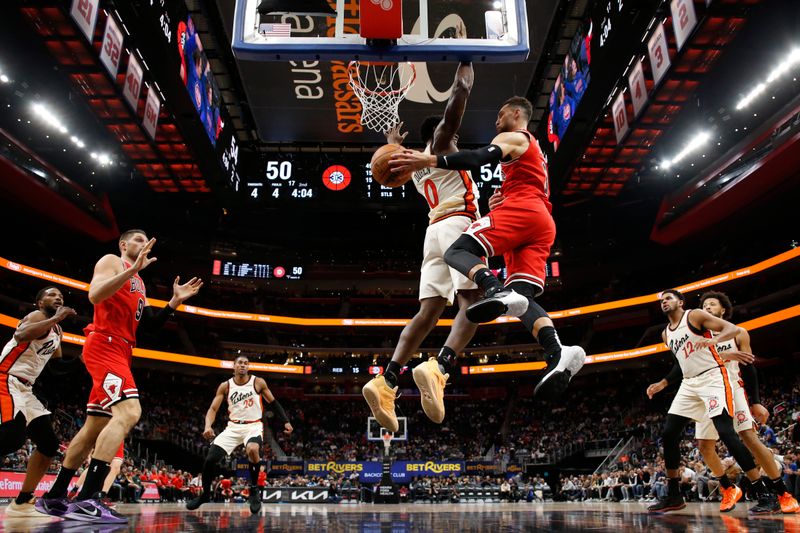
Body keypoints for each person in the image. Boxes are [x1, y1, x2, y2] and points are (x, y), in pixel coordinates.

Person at [390, 96, 586, 400]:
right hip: (540, 220)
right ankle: (557, 350)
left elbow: (478, 158)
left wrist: (422, 158)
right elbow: (525, 181)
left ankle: (494, 288)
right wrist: (501, 199)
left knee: (457, 252)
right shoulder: (535, 154)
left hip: (520, 212)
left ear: (517, 113)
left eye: (501, 113)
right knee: (523, 298)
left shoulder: (514, 136)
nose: (496, 120)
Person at [36, 229, 202, 523]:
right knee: (129, 412)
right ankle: (87, 498)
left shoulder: (138, 281)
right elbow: (94, 294)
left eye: (146, 240)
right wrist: (131, 270)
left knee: (93, 428)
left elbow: (148, 325)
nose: (143, 243)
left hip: (122, 349)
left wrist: (174, 302)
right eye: (138, 240)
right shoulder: (113, 261)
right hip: (105, 344)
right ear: (124, 245)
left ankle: (54, 496)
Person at [362, 62, 482, 430]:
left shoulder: (413, 168)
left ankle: (388, 379)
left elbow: (391, 163)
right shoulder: (442, 145)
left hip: (432, 233)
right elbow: (455, 106)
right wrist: (465, 71)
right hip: (459, 225)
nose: (457, 143)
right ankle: (440, 365)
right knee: (472, 304)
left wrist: (393, 145)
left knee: (427, 313)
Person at [648, 290, 799, 513]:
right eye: (705, 304)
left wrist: (755, 401)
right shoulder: (693, 332)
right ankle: (725, 488)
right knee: (703, 445)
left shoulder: (732, 332)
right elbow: (686, 361)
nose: (707, 307)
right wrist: (663, 383)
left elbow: (748, 365)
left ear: (723, 310)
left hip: (728, 385)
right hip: (695, 384)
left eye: (712, 304)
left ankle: (779, 492)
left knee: (746, 437)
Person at [0, 287, 76, 517]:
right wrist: (55, 317)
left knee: (48, 444)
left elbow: (56, 367)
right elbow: (21, 335)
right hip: (6, 377)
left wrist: (83, 359)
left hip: (26, 388)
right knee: (13, 438)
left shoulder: (57, 331)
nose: (58, 297)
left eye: (61, 296)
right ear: (39, 302)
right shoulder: (38, 317)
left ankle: (23, 500)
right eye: (52, 295)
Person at [186, 354, 293, 515]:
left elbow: (274, 403)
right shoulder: (225, 386)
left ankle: (254, 490)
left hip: (253, 425)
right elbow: (213, 409)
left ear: (248, 367)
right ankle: (205, 494)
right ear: (234, 366)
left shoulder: (258, 382)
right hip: (233, 427)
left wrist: (286, 421)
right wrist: (208, 425)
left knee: (252, 450)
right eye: (240, 363)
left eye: (246, 363)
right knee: (210, 459)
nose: (243, 365)